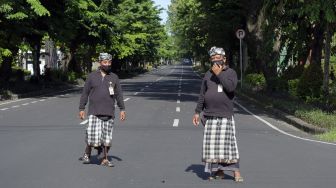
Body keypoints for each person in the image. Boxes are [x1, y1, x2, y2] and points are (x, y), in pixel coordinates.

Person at [192, 46, 243, 182]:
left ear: (224, 59)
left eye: (218, 58)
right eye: (213, 58)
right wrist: (197, 112)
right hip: (209, 114)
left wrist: (219, 74)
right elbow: (202, 94)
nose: (215, 60)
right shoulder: (208, 74)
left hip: (225, 114)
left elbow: (231, 88)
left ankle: (236, 172)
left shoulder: (230, 72)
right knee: (212, 147)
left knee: (229, 145)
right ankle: (218, 170)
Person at [79, 52, 126, 167]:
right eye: (105, 62)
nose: (107, 64)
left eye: (109, 62)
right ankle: (87, 153)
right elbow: (85, 93)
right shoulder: (92, 76)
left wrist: (122, 109)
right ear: (100, 62)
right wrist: (81, 108)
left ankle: (104, 159)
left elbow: (119, 94)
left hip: (109, 112)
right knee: (92, 135)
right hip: (94, 111)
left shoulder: (114, 77)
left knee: (107, 138)